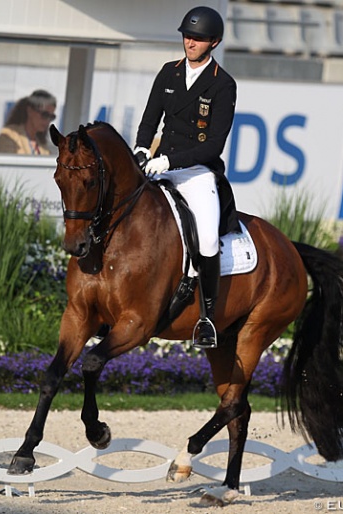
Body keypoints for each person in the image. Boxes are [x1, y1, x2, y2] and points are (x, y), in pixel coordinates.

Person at [134, 6, 239, 349]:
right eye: (187, 36)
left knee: (208, 240)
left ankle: (207, 318)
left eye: (198, 38)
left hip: (195, 173)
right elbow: (150, 120)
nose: (190, 42)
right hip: (158, 167)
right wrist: (140, 149)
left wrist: (169, 160)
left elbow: (214, 145)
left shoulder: (223, 84)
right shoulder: (168, 73)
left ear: (214, 42)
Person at [0, 90, 57, 155]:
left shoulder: (42, 144)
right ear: (30, 111)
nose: (48, 120)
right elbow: (5, 163)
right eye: (45, 115)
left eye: (52, 116)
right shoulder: (9, 135)